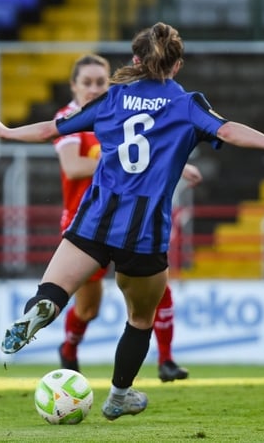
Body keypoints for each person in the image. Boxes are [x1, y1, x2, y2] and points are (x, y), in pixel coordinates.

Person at [0, 22, 264, 421]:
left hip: (94, 220)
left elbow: (50, 130)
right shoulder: (186, 104)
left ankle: (42, 307)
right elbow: (228, 131)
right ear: (177, 66)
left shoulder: (111, 98)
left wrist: (5, 131)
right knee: (140, 318)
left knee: (54, 288)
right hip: (144, 232)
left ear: (136, 60)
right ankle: (119, 395)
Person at [53, 54, 195, 382]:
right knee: (89, 308)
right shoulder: (69, 118)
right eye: (86, 82)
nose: (93, 88)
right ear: (73, 85)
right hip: (84, 224)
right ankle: (69, 349)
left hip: (128, 219)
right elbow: (73, 166)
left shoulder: (119, 114)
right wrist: (125, 161)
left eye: (101, 82)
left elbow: (149, 152)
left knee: (157, 287)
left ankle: (166, 360)